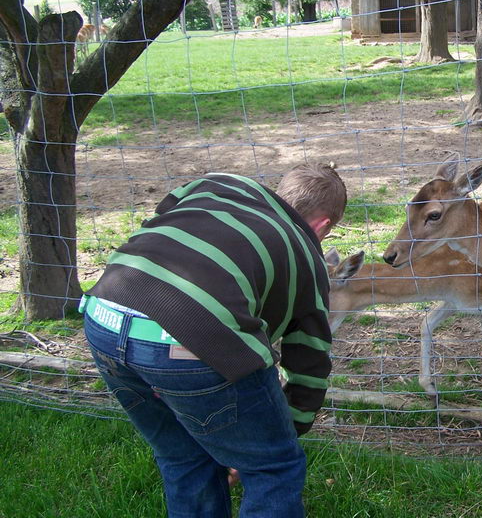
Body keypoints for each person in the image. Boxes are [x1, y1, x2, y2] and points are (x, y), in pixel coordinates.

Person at [80, 163, 347, 518]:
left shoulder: (220, 184)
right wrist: (278, 437)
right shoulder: (308, 258)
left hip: (104, 312)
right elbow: (309, 368)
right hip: (194, 340)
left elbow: (165, 213)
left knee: (184, 456)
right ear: (323, 226)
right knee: (274, 468)